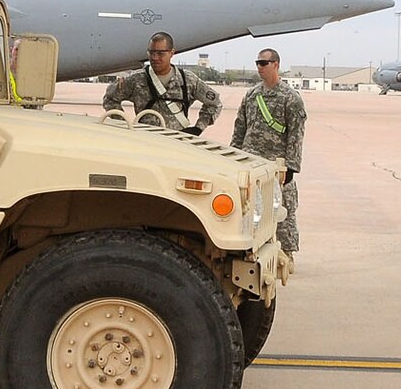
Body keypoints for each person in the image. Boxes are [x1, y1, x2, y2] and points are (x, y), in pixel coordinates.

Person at [230, 47, 305, 253]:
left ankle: (286, 253)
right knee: (250, 211)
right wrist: (233, 156)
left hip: (276, 166)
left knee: (283, 211)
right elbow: (240, 128)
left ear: (276, 65)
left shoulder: (290, 98)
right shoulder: (252, 95)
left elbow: (296, 134)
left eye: (263, 63)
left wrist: (291, 167)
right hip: (251, 163)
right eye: (257, 63)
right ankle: (249, 250)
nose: (259, 67)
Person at [102, 31, 221, 134]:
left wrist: (198, 128)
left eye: (160, 53)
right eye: (151, 53)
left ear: (171, 53)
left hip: (177, 142)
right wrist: (124, 125)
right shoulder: (136, 79)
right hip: (146, 141)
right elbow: (110, 99)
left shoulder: (188, 80)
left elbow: (215, 103)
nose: (154, 58)